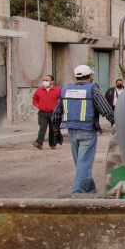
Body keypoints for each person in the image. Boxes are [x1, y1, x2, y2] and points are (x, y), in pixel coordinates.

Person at [51, 64, 115, 194]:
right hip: (87, 132)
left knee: (81, 164)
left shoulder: (66, 90)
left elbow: (56, 113)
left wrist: (56, 130)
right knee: (84, 164)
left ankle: (90, 189)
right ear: (90, 76)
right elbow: (106, 110)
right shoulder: (92, 90)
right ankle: (77, 193)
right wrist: (116, 123)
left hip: (71, 132)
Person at [31, 75, 61, 149]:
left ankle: (53, 144)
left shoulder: (57, 90)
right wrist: (38, 105)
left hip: (53, 113)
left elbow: (61, 100)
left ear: (52, 81)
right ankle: (39, 142)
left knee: (52, 129)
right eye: (44, 80)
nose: (45, 81)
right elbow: (35, 99)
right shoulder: (39, 90)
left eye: (47, 80)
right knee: (42, 127)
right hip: (42, 113)